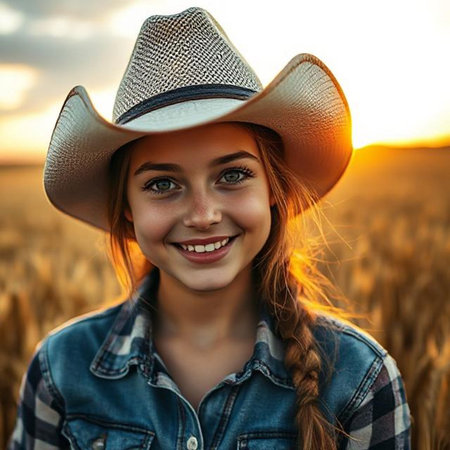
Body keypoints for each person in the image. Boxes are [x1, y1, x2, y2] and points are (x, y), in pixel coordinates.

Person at [9, 7, 411, 450]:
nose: (203, 215)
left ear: (273, 187)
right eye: (162, 184)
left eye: (233, 175)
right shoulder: (60, 370)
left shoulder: (360, 381)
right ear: (127, 207)